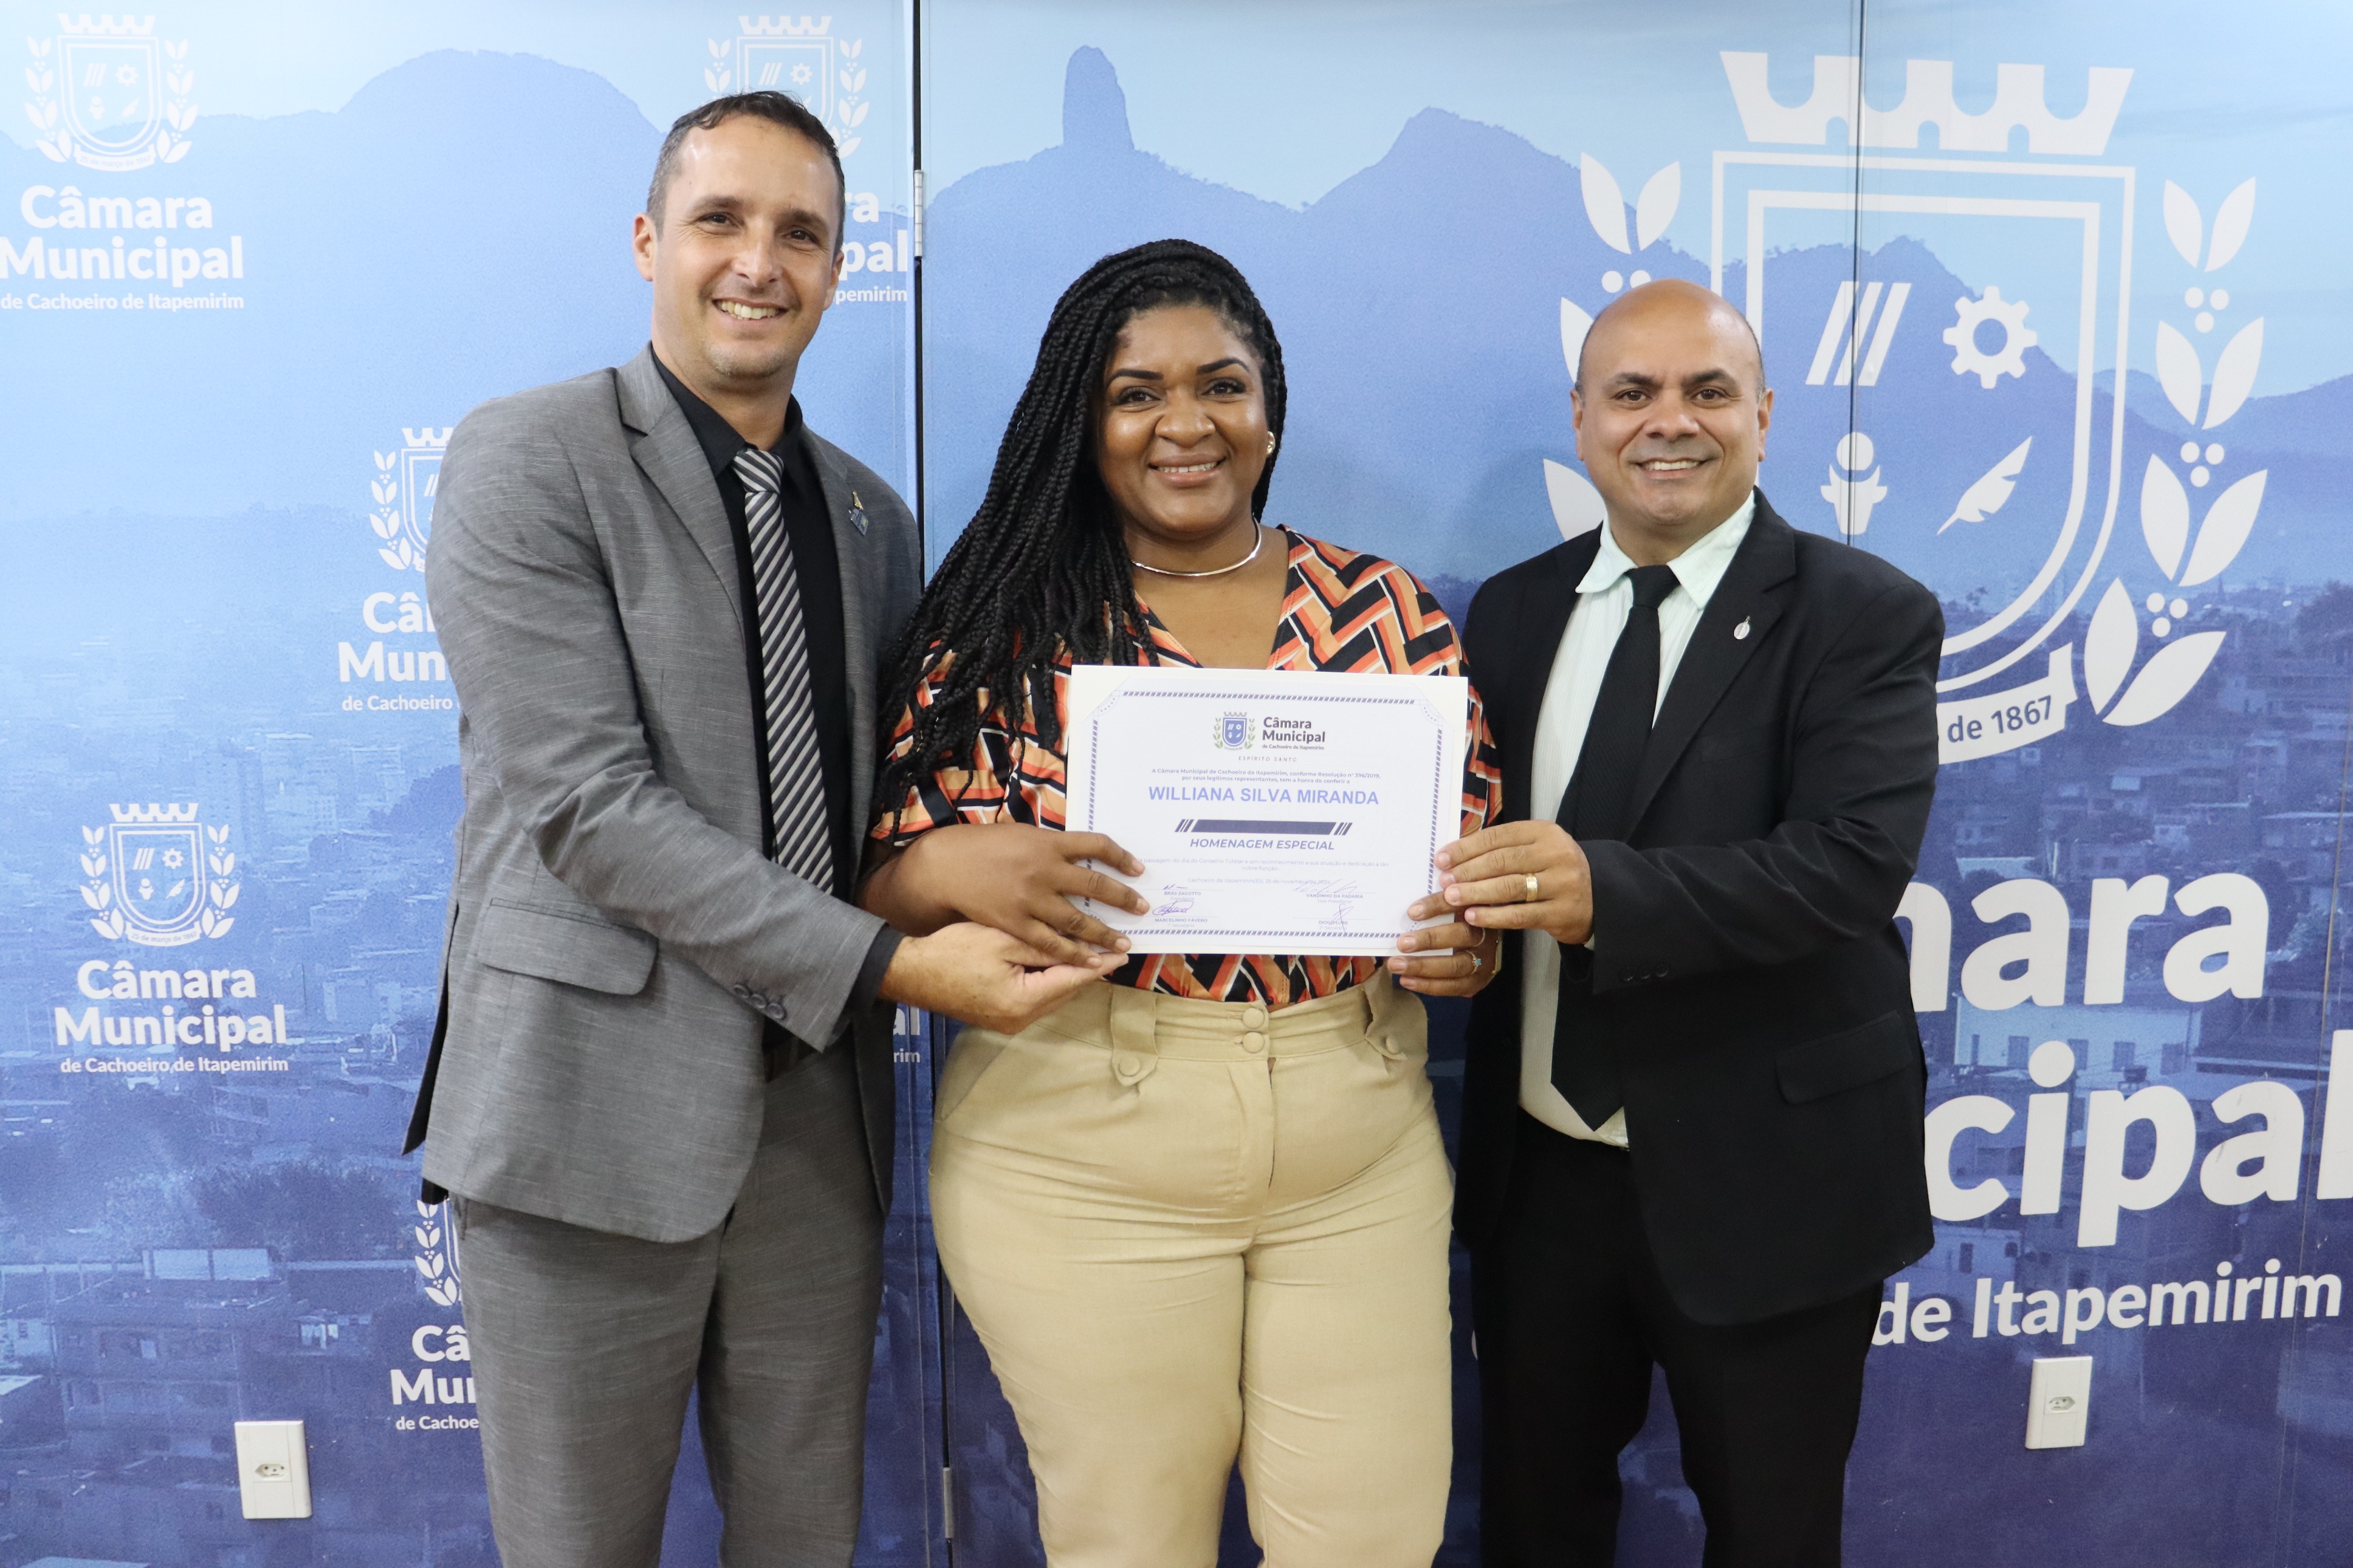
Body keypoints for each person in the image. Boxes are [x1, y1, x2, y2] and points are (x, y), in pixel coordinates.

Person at [403, 92, 1112, 1568]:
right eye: (720, 220)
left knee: (805, 1543)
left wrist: (964, 868)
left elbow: (877, 811)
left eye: (801, 233)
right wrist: (898, 967)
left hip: (811, 1133)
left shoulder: (869, 519)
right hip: (584, 1122)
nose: (757, 262)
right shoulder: (528, 459)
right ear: (648, 240)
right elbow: (589, 810)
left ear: (839, 270)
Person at [859, 239, 1502, 1567]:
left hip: (1354, 1138)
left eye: (1222, 384)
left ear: (1270, 406)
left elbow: (1465, 876)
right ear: (1079, 421)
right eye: (1135, 393)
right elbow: (872, 882)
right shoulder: (1006, 623)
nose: (1186, 424)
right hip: (1079, 1137)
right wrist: (955, 868)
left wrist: (1466, 945)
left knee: (1372, 1540)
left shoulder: (1385, 614)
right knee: (1130, 1542)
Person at [1437, 278, 1942, 1567]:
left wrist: (1601, 894)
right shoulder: (1512, 608)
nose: (1671, 420)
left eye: (1708, 391)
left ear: (1763, 416)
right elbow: (1478, 845)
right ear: (1582, 420)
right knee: (1536, 1526)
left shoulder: (1863, 612)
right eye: (1634, 392)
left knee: (1772, 1536)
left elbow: (1849, 868)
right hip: (1543, 1179)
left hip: (1769, 1179)